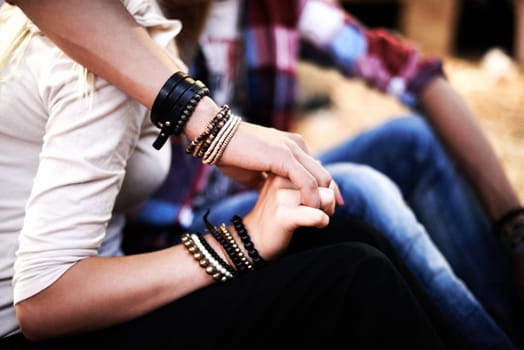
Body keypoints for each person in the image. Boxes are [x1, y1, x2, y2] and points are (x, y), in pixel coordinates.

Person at [0, 1, 452, 349]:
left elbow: (405, 70)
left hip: (99, 300)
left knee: (346, 237)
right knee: (357, 278)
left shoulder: (120, 35)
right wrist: (243, 241)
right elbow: (44, 303)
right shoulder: (92, 65)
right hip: (47, 327)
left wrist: (221, 136)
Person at [121, 0, 524, 349]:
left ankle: (505, 324)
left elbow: (416, 77)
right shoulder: (133, 20)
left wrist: (514, 226)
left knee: (411, 142)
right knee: (359, 189)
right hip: (170, 235)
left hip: (248, 194)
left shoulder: (278, 7)